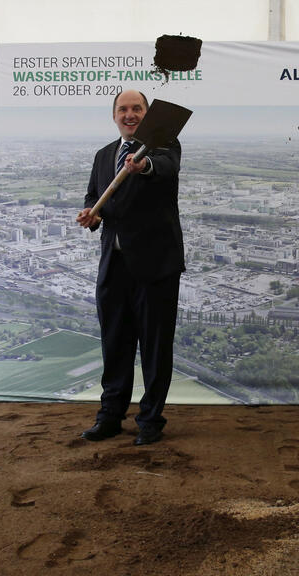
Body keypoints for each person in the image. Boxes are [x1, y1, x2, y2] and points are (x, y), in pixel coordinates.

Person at [75, 90, 184, 446]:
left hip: (155, 267)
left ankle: (150, 419)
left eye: (137, 108)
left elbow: (166, 171)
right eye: (123, 109)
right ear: (114, 115)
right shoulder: (104, 155)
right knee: (115, 343)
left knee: (154, 346)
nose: (130, 114)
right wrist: (91, 215)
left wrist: (144, 166)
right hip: (114, 266)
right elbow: (96, 197)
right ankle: (110, 415)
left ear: (147, 114)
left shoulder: (163, 146)